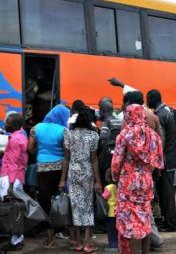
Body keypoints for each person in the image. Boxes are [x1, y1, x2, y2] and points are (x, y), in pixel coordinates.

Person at [112, 104, 164, 254]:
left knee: (131, 221)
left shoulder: (125, 135)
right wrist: (146, 171)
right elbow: (158, 161)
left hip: (128, 181)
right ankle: (145, 251)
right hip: (146, 180)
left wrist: (116, 177)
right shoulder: (153, 135)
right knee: (144, 216)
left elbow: (116, 162)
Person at [59, 108, 101, 252]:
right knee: (88, 205)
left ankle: (76, 241)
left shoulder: (69, 134)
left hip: (73, 173)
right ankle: (88, 242)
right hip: (87, 173)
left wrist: (62, 180)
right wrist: (98, 181)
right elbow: (94, 159)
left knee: (75, 206)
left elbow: (66, 158)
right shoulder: (93, 135)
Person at [27, 104, 70, 248]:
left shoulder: (36, 128)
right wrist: (63, 178)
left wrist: (39, 156)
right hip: (59, 169)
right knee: (59, 202)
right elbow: (66, 155)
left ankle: (49, 238)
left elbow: (30, 148)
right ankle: (62, 230)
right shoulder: (64, 131)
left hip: (42, 169)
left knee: (45, 201)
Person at [147, 89, 176, 232]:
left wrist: (158, 162)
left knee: (166, 193)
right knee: (168, 192)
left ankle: (171, 224)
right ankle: (170, 221)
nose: (147, 102)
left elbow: (161, 141)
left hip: (166, 161)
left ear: (153, 99)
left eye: (148, 99)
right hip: (172, 159)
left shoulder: (160, 115)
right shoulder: (168, 111)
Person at [0, 113, 28, 250]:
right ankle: (17, 238)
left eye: (8, 122)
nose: (5, 123)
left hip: (11, 178)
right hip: (17, 177)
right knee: (16, 209)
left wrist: (10, 185)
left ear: (15, 124)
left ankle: (15, 239)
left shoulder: (14, 140)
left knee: (11, 209)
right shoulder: (20, 137)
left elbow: (13, 163)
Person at [102, 168, 118, 252]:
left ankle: (112, 245)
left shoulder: (108, 187)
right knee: (118, 229)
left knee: (111, 229)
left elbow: (104, 197)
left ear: (107, 177)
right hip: (119, 212)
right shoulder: (120, 186)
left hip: (110, 212)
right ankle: (119, 244)